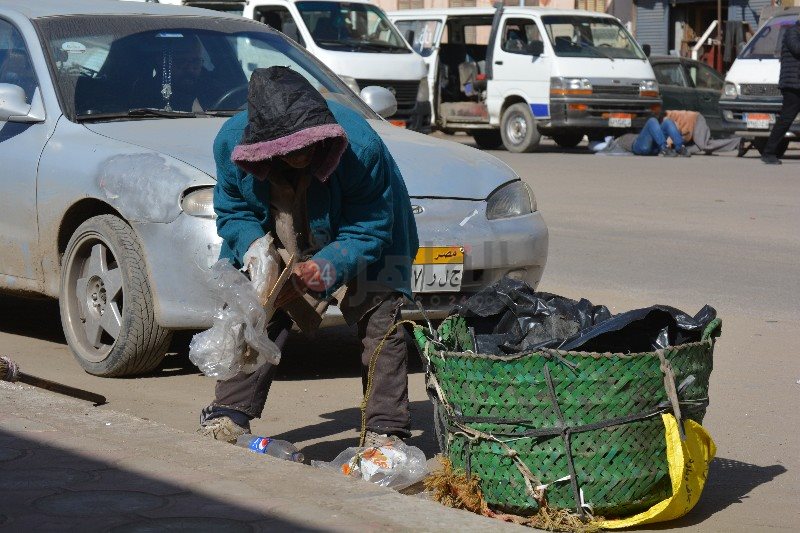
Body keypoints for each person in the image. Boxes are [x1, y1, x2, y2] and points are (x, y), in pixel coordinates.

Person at [197, 66, 419, 448]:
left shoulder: (360, 147)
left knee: (381, 317)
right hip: (282, 219)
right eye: (290, 150)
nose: (301, 156)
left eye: (309, 147)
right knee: (257, 306)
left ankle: (386, 431)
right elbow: (233, 211)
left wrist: (326, 266)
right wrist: (255, 249)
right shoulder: (231, 144)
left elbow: (370, 227)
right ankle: (229, 414)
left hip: (371, 230)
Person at [762, 16, 800, 164]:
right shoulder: (792, 33)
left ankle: (769, 151)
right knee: (786, 119)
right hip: (793, 84)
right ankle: (768, 152)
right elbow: (797, 49)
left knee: (786, 119)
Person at [591, 116, 690, 157]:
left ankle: (679, 147)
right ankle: (665, 148)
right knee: (652, 121)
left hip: (653, 145)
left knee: (668, 122)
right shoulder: (618, 140)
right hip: (641, 147)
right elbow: (594, 145)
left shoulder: (632, 135)